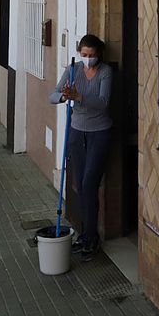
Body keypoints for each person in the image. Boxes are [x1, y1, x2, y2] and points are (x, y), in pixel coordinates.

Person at [49, 33, 112, 260]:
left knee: (88, 184)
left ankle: (91, 237)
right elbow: (53, 95)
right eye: (84, 54)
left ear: (99, 55)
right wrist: (65, 96)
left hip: (99, 133)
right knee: (79, 184)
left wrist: (80, 96)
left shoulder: (105, 72)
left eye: (92, 55)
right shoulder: (73, 69)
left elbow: (104, 103)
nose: (88, 59)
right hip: (77, 132)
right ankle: (85, 235)